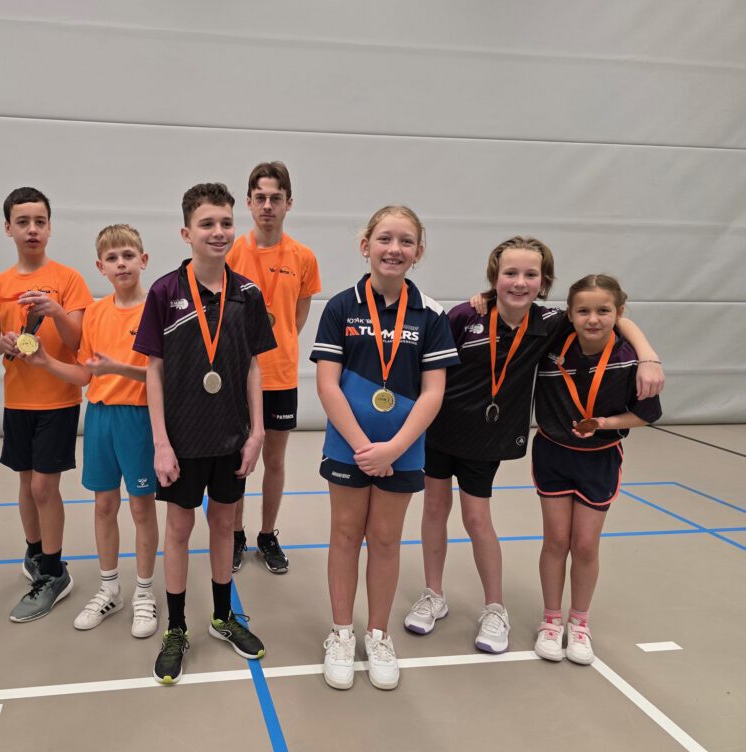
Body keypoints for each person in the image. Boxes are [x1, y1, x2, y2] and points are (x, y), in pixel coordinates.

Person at [408, 237, 664, 654]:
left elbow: (611, 318)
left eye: (530, 274)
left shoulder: (551, 323)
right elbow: (432, 368)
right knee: (434, 511)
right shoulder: (465, 316)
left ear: (544, 282)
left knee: (477, 519)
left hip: (486, 439)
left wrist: (649, 356)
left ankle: (495, 608)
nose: (520, 282)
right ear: (494, 277)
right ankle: (433, 594)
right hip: (439, 430)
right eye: (510, 273)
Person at [311, 206, 459, 691]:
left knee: (387, 540)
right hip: (347, 447)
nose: (394, 249)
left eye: (406, 241)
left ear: (418, 252)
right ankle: (341, 633)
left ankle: (378, 635)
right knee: (345, 535)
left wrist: (393, 448)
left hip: (404, 451)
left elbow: (433, 392)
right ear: (365, 246)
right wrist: (363, 447)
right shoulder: (340, 307)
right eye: (385, 238)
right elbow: (327, 384)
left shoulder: (431, 315)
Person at [134, 183, 276, 685]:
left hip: (231, 437)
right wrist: (161, 442)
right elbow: (153, 370)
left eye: (225, 223)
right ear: (186, 232)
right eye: (207, 224)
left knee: (222, 525)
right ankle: (176, 628)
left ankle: (221, 616)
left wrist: (257, 432)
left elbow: (254, 366)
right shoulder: (164, 293)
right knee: (178, 529)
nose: (218, 232)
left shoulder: (248, 294)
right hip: (182, 440)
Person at [20, 224, 160, 638]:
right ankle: (109, 589)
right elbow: (84, 374)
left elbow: (162, 376)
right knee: (104, 506)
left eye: (128, 256)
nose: (121, 264)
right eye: (112, 258)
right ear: (101, 267)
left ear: (143, 260)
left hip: (138, 418)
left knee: (141, 508)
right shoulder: (96, 313)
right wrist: (45, 361)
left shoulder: (157, 309)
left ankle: (145, 592)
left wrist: (119, 369)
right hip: (99, 418)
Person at [531, 275, 661, 665]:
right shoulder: (553, 344)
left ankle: (580, 622)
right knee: (556, 541)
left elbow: (644, 415)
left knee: (585, 545)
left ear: (619, 313)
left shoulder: (629, 360)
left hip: (600, 459)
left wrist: (603, 424)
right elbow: (515, 310)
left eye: (603, 311)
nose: (593, 319)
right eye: (583, 311)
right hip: (553, 455)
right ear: (569, 315)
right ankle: (551, 621)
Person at [0, 187, 93, 622]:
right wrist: (2, 342)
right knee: (26, 485)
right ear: (8, 228)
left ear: (50, 227)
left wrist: (56, 310)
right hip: (17, 401)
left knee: (45, 488)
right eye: (22, 222)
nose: (32, 229)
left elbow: (78, 341)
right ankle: (36, 552)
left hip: (58, 400)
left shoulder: (68, 280)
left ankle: (54, 571)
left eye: (39, 222)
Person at [226, 162, 321, 574]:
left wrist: (274, 347)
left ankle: (267, 534)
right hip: (236, 375)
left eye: (275, 198)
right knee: (237, 461)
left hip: (280, 375)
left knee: (275, 461)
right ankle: (235, 534)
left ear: (288, 203)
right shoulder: (231, 252)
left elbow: (297, 318)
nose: (267, 205)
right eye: (260, 198)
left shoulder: (304, 257)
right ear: (249, 203)